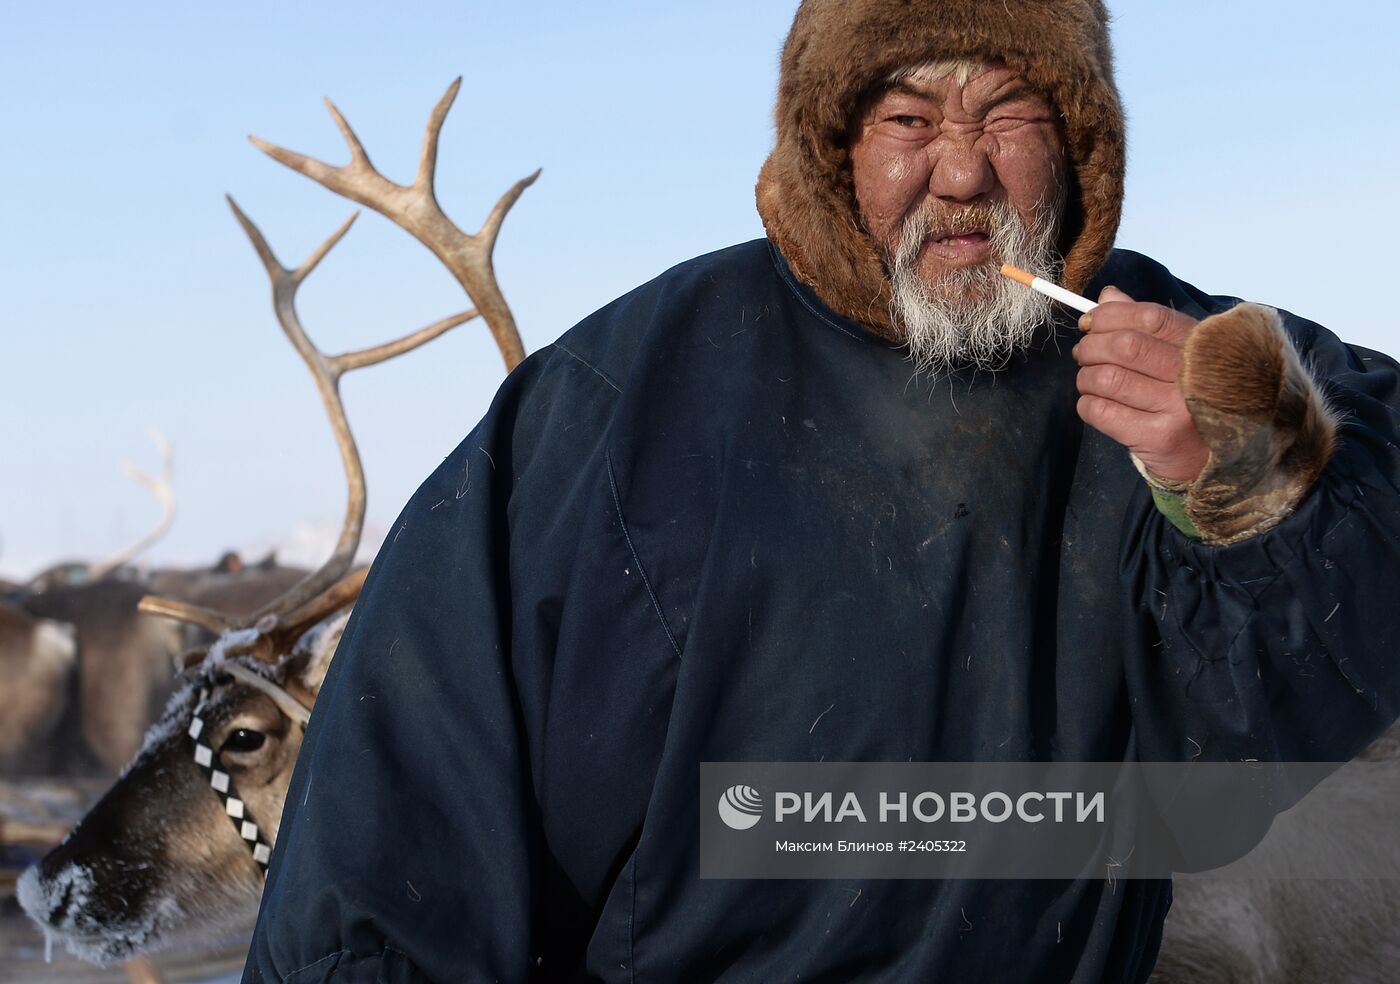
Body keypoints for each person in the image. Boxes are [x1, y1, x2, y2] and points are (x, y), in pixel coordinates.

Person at [241, 1, 1400, 981]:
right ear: (828, 140)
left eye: (1010, 115)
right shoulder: (611, 404)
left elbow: (1280, 734)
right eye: (908, 119)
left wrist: (1248, 482)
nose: (961, 170)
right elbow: (397, 833)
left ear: (1082, 141)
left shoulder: (1183, 362)